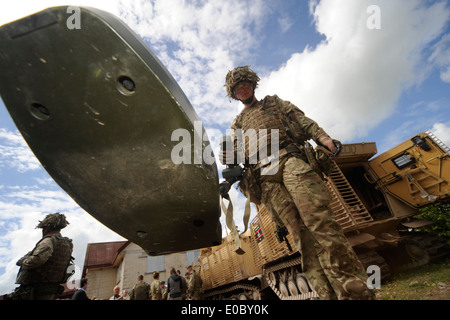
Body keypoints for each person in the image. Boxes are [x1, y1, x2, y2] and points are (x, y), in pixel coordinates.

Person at [220, 66, 373, 300]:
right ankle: (327, 294)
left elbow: (304, 122)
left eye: (244, 85)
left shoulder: (273, 103)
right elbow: (233, 158)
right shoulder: (237, 125)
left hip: (289, 158)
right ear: (234, 95)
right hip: (265, 176)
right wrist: (227, 179)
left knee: (320, 222)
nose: (242, 90)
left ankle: (354, 291)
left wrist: (324, 139)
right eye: (237, 89)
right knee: (301, 237)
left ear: (252, 84)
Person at [12, 212, 74, 300]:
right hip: (51, 289)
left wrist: (23, 261)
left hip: (37, 290)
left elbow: (37, 260)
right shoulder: (67, 244)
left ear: (47, 228)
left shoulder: (48, 241)